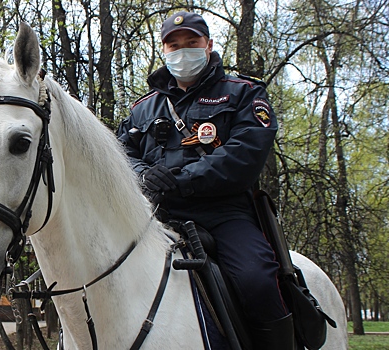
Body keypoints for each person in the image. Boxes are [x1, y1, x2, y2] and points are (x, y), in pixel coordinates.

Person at [116, 11, 292, 349]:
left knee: (257, 281)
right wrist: (143, 175)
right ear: (164, 51)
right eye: (174, 45)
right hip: (156, 216)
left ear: (208, 44)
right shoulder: (143, 109)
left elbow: (244, 155)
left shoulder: (243, 93)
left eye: (192, 43)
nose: (183, 51)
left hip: (224, 214)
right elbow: (120, 154)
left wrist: (183, 181)